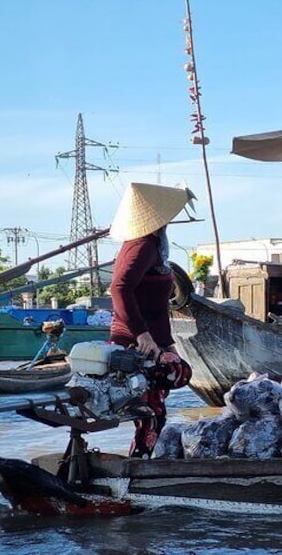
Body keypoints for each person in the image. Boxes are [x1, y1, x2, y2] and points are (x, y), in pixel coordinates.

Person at [108, 182, 197, 459]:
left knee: (170, 387)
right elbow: (119, 289)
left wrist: (167, 345)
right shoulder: (142, 246)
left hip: (154, 341)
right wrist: (142, 335)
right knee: (152, 413)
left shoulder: (153, 244)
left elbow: (157, 306)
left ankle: (141, 463)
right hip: (135, 341)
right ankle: (137, 467)